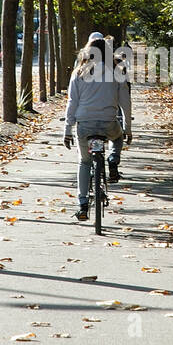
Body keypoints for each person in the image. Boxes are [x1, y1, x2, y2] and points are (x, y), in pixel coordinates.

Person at [64, 31, 132, 221]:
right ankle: (113, 158)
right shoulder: (117, 71)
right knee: (117, 138)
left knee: (84, 162)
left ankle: (83, 204)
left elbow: (72, 102)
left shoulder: (79, 72)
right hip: (108, 123)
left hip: (84, 125)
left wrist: (67, 131)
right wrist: (127, 128)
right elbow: (125, 102)